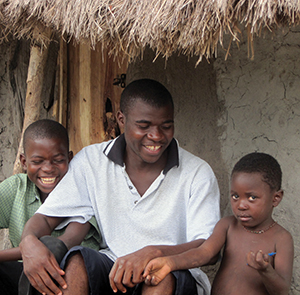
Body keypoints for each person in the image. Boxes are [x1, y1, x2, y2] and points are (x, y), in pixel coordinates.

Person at [19, 79, 220, 295]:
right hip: (114, 269)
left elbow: (209, 248)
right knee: (78, 262)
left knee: (160, 279)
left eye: (166, 126)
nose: (156, 136)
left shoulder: (197, 172)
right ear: (121, 119)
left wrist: (154, 252)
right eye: (144, 126)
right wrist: (28, 242)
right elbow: (46, 218)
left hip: (172, 272)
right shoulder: (92, 161)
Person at [143, 152, 294, 295]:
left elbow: (281, 291)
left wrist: (266, 270)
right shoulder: (227, 226)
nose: (241, 205)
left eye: (252, 198)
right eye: (235, 196)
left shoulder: (281, 238)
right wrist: (170, 263)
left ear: (276, 198)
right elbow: (203, 254)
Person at [0, 119, 101, 295]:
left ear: (70, 159)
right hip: (27, 275)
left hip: (70, 277)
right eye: (38, 161)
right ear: (24, 162)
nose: (47, 169)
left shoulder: (83, 192)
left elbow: (58, 247)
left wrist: (25, 249)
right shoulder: (17, 188)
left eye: (58, 160)